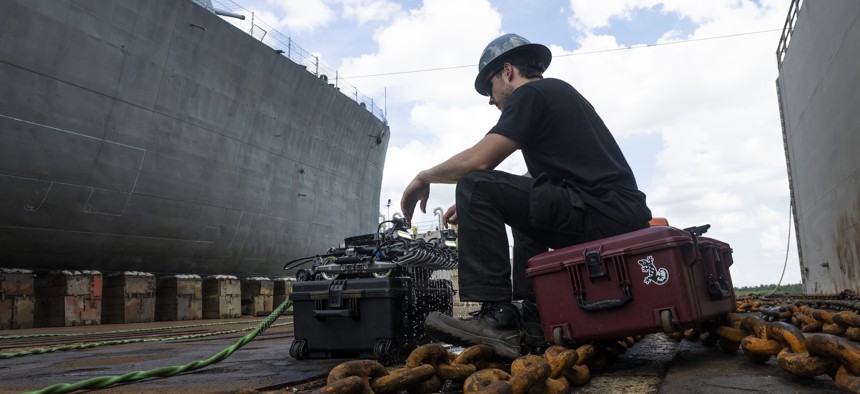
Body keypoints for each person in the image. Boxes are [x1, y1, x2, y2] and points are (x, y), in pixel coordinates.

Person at [399, 33, 652, 359]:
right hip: (613, 212)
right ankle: (533, 316)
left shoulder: (531, 93)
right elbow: (540, 179)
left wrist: (425, 176)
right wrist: (488, 200)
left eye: (489, 88)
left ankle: (497, 318)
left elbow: (481, 161)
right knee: (516, 198)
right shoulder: (559, 95)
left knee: (475, 183)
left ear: (506, 71)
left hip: (601, 211)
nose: (491, 101)